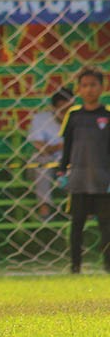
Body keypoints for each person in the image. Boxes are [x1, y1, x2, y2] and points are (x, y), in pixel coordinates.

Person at [57, 66, 110, 274]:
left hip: (103, 180)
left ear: (102, 87)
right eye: (85, 85)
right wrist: (62, 171)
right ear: (79, 89)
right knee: (76, 224)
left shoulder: (107, 115)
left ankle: (107, 265)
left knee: (106, 225)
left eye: (93, 85)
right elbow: (67, 147)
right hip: (78, 179)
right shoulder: (73, 116)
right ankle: (75, 266)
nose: (89, 90)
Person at [26, 87, 73, 221]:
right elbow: (40, 147)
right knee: (42, 160)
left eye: (68, 109)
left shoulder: (79, 119)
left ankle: (86, 208)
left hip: (70, 162)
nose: (65, 113)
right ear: (53, 108)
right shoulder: (40, 119)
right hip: (47, 162)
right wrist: (62, 146)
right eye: (62, 110)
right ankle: (44, 205)